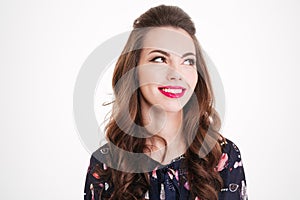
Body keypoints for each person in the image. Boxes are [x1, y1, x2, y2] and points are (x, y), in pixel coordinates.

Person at [84, 4, 247, 200]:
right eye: (160, 59)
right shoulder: (105, 163)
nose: (176, 73)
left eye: (187, 61)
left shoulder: (223, 156)